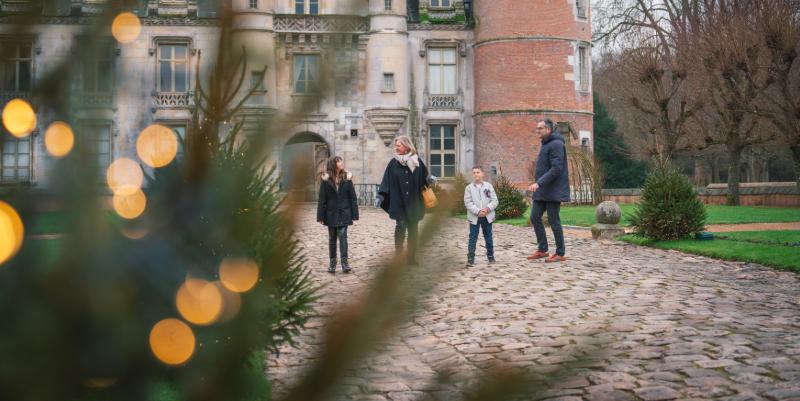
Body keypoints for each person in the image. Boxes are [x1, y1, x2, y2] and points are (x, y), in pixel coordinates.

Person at [375, 136, 432, 265]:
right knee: (400, 226)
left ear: (406, 146)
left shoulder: (417, 162)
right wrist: (380, 196)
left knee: (413, 230)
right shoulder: (393, 163)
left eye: (399, 145)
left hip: (414, 201)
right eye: (396, 146)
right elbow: (386, 181)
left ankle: (411, 258)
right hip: (398, 201)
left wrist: (429, 180)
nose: (396, 148)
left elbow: (424, 179)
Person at [527, 119, 570, 263]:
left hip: (553, 191)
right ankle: (543, 249)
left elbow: (556, 168)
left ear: (548, 129)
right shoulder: (546, 144)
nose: (537, 131)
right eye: (537, 128)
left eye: (540, 128)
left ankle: (560, 253)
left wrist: (538, 183)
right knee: (534, 217)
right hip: (542, 191)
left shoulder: (557, 144)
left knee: (554, 221)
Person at [317, 156, 359, 273]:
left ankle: (345, 263)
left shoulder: (347, 178)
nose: (342, 163)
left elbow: (353, 198)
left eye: (341, 161)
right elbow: (322, 199)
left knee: (343, 236)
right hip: (330, 213)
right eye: (339, 161)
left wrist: (354, 215)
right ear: (334, 164)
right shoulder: (325, 180)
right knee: (332, 238)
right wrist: (320, 216)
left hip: (344, 212)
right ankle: (332, 263)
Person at [464, 166, 499, 266]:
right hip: (474, 217)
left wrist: (487, 209)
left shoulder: (488, 186)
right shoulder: (469, 188)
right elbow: (468, 203)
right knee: (473, 238)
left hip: (487, 216)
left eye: (478, 172)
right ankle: (470, 258)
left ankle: (491, 256)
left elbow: (495, 200)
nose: (476, 174)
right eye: (474, 172)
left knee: (488, 237)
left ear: (482, 174)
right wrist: (478, 211)